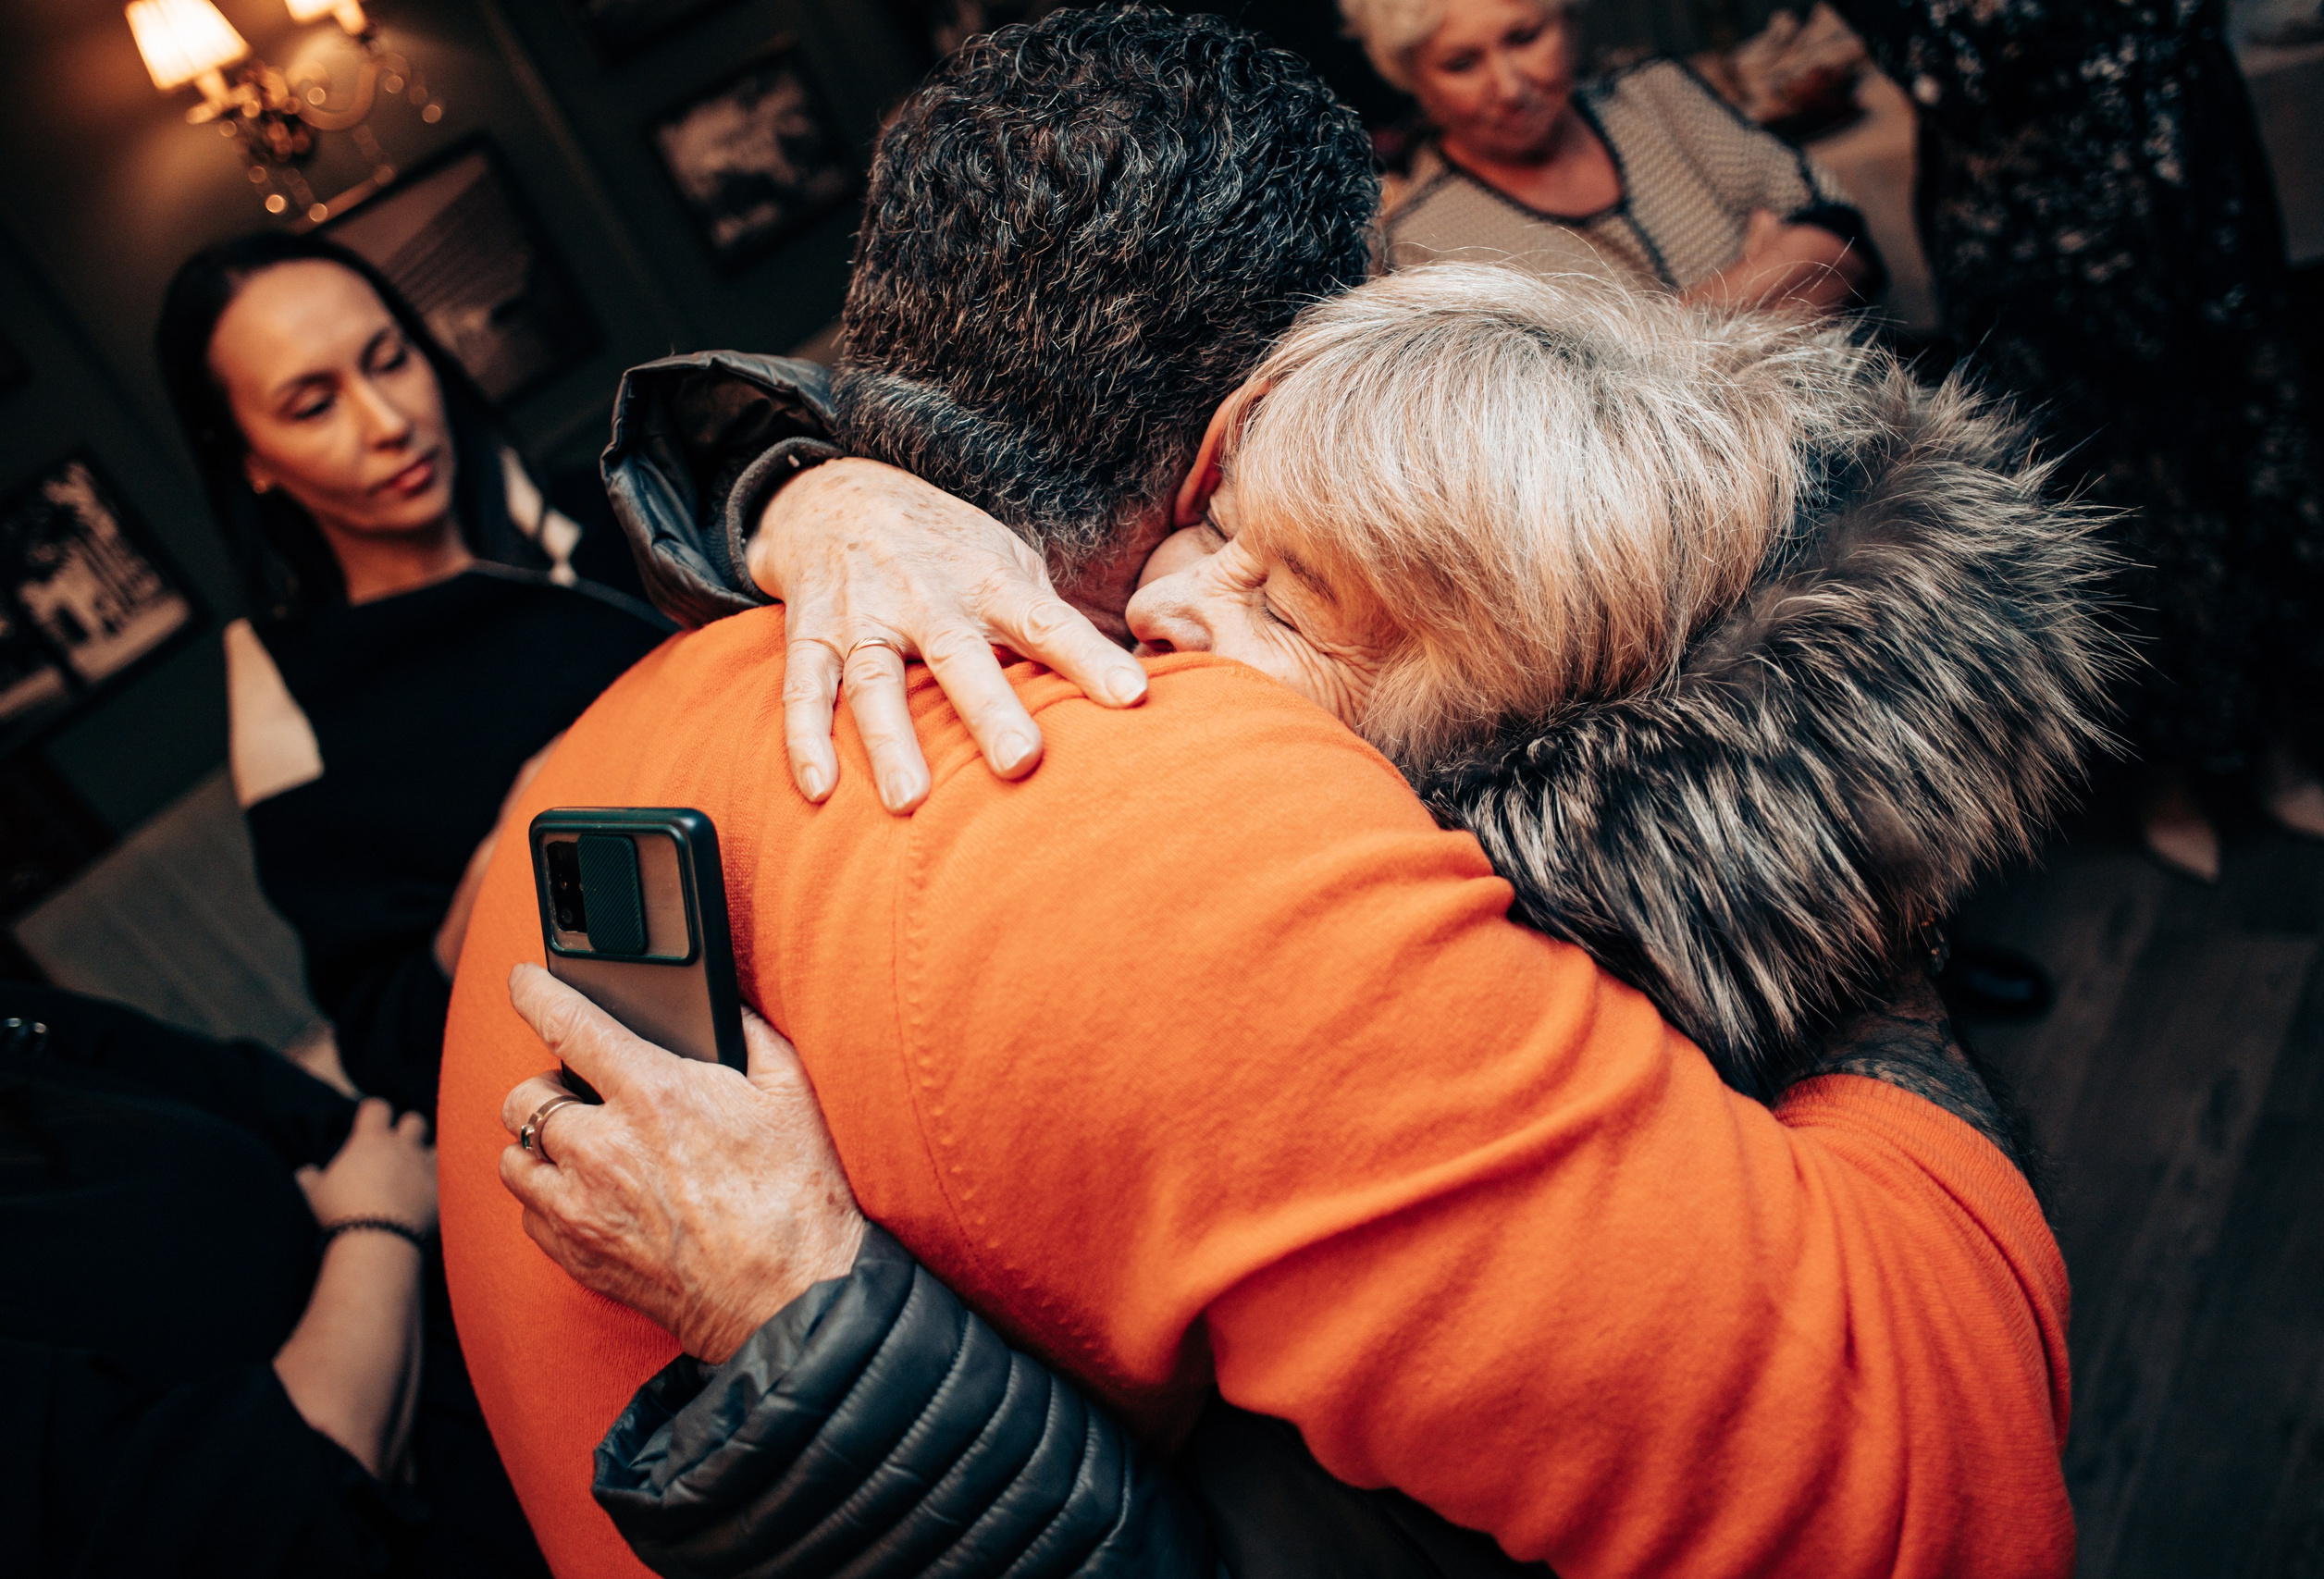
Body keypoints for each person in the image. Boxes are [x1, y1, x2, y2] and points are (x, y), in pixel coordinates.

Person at [439, 11, 2073, 1577]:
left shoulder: (597, 745)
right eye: (1241, 541)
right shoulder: (1204, 830)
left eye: (1283, 586)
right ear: (1263, 408)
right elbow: (1945, 1506)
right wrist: (1845, 860)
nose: (1183, 605)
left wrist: (798, 475)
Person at [1815, 0, 2324, 880]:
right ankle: (2157, 774)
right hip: (2043, 243)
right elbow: (1957, 69)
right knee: (2107, 505)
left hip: (2196, 186)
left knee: (2249, 461)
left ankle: (2275, 739)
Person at [156, 233, 674, 1112]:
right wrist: (499, 872)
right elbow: (391, 1045)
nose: (387, 421)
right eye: (313, 405)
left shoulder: (615, 501)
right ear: (249, 458)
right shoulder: (297, 709)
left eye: (389, 360)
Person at [0, 984, 538, 1577]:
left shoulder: (23, 1024)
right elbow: (270, 1504)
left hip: (497, 1318)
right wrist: (375, 1224)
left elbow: (283, 1102)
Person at [1353, 0, 1875, 313]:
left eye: (1525, 36)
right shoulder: (1424, 243)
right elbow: (1555, 436)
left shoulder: (1659, 98)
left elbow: (1846, 249)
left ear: (1569, 21)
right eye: (1461, 63)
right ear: (1413, 79)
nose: (1510, 88)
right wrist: (1767, 272)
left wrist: (1652, 349)